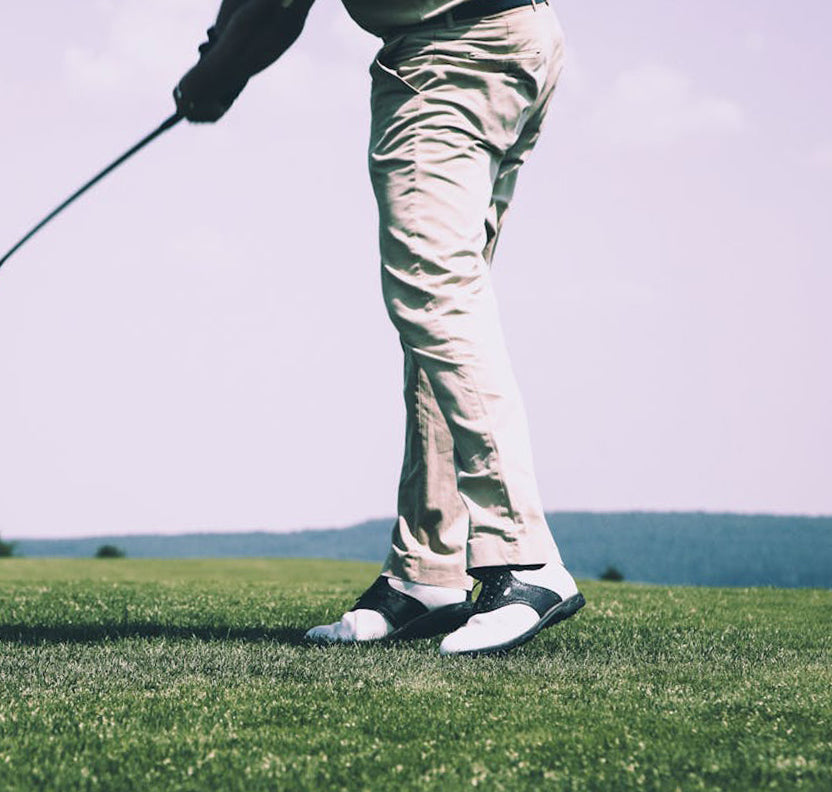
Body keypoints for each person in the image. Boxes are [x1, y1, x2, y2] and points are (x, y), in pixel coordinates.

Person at [174, 0, 584, 655]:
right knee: (443, 310)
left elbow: (274, 7)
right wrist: (218, 47)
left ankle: (524, 559)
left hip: (451, 52)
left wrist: (214, 76)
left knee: (436, 294)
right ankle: (428, 570)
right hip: (516, 38)